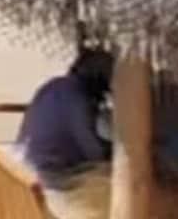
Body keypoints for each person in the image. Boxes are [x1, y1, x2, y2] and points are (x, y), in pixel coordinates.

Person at [19, 49, 114, 192]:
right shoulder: (78, 99)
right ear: (98, 80)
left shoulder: (52, 86)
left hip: (27, 164)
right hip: (52, 178)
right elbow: (94, 151)